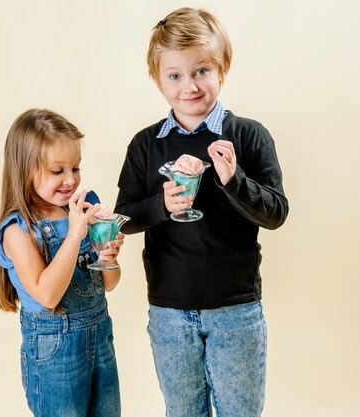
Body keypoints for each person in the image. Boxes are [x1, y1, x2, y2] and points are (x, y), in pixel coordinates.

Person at [114, 7, 289, 417]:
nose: (188, 86)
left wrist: (233, 181)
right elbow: (124, 214)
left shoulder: (247, 135)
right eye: (174, 75)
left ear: (223, 68)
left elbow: (276, 212)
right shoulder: (145, 145)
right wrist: (162, 204)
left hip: (236, 310)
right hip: (169, 312)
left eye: (201, 71)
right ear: (157, 78)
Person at [0, 108, 124, 416]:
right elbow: (47, 295)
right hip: (55, 347)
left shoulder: (81, 208)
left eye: (75, 168)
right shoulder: (18, 230)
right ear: (26, 171)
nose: (70, 180)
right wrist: (76, 233)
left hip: (99, 335)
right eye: (57, 171)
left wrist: (109, 257)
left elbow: (109, 284)